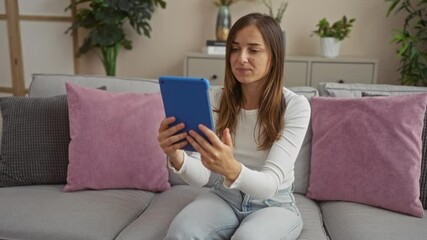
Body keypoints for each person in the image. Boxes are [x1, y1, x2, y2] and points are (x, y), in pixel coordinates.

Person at [158, 12, 310, 240]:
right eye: (235, 49)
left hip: (273, 204)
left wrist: (231, 168)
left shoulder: (295, 106)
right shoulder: (215, 99)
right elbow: (202, 177)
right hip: (224, 196)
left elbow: (270, 185)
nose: (241, 58)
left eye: (254, 50)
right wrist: (176, 156)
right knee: (181, 233)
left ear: (274, 56)